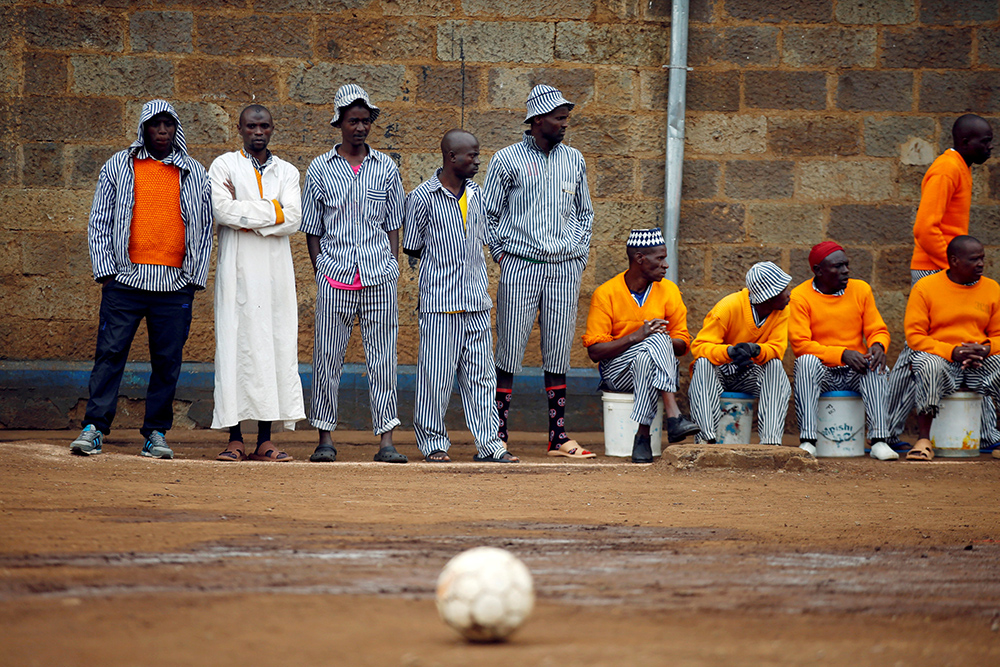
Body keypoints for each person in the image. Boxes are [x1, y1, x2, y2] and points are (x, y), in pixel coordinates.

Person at [70, 100, 213, 459]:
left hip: (174, 285)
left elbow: (203, 226)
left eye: (168, 125)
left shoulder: (193, 172)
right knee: (111, 353)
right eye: (155, 125)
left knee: (167, 361)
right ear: (143, 129)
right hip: (126, 282)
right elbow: (99, 220)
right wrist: (107, 272)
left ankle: (156, 433)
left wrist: (194, 276)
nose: (162, 131)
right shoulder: (120, 166)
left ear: (176, 129)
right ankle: (94, 428)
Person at [482, 84, 595, 459]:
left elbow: (585, 213)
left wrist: (577, 254)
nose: (564, 124)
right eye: (558, 117)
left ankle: (557, 437)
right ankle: (497, 433)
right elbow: (488, 213)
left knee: (558, 351)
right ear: (537, 120)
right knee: (508, 350)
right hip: (521, 266)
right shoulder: (507, 160)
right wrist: (502, 254)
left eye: (565, 117)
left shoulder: (574, 159)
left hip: (564, 268)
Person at [300, 84, 407, 464]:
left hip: (378, 275)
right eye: (352, 121)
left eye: (365, 121)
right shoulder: (319, 168)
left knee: (383, 358)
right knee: (327, 359)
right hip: (334, 277)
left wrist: (391, 265)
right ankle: (325, 438)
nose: (360, 128)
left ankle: (386, 441)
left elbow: (394, 222)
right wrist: (321, 271)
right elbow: (312, 227)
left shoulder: (386, 168)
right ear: (339, 124)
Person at [403, 130, 518, 463]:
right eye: (472, 155)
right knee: (435, 378)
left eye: (478, 155)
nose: (477, 161)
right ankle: (433, 442)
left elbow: (485, 237)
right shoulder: (424, 197)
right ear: (451, 157)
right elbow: (412, 244)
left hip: (477, 303)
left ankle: (490, 445)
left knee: (482, 378)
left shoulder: (478, 194)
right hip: (440, 304)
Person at [885, 114, 998, 453]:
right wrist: (949, 272)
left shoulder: (960, 167)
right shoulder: (947, 168)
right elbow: (924, 228)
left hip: (948, 267)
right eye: (984, 141)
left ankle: (990, 434)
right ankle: (885, 432)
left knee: (968, 346)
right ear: (965, 143)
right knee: (917, 353)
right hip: (936, 270)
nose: (990, 147)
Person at [209, 105, 304, 462]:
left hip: (275, 275)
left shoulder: (289, 172)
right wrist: (272, 210)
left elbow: (293, 218)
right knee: (235, 346)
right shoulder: (224, 166)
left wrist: (246, 211)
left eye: (264, 125)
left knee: (273, 347)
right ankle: (235, 438)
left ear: (273, 128)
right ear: (240, 129)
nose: (258, 132)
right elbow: (222, 211)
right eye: (251, 126)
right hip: (237, 273)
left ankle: (265, 439)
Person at [582, 228, 700, 463]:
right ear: (639, 259)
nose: (666, 265)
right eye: (660, 258)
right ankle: (673, 414)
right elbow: (594, 351)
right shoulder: (606, 293)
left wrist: (657, 339)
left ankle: (643, 437)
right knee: (655, 337)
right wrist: (636, 336)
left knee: (652, 349)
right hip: (616, 372)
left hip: (654, 368)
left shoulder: (669, 290)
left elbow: (683, 343)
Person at [788, 242, 896, 461]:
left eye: (846, 265)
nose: (846, 271)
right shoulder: (800, 296)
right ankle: (809, 441)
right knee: (805, 363)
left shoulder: (861, 289)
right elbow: (800, 344)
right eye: (838, 266)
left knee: (876, 364)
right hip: (823, 371)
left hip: (854, 370)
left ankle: (879, 441)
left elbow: (877, 329)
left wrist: (877, 345)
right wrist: (842, 354)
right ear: (818, 270)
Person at [902, 236, 1000, 461]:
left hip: (980, 361)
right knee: (927, 363)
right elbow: (915, 337)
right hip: (942, 359)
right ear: (954, 261)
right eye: (974, 259)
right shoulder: (926, 288)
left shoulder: (992, 288)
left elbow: (998, 335)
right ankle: (924, 440)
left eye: (983, 258)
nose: (981, 264)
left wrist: (986, 348)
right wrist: (952, 352)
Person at [688, 262, 792, 446]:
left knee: (775, 366)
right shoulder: (728, 307)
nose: (789, 293)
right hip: (719, 371)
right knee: (702, 364)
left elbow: (777, 348)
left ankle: (770, 442)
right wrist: (729, 351)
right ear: (768, 297)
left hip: (750, 372)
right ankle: (706, 439)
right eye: (784, 289)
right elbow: (699, 346)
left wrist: (756, 349)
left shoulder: (782, 309)